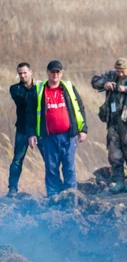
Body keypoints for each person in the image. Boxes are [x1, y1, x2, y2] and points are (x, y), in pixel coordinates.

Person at [26, 60, 87, 198]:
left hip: (68, 136)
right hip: (48, 137)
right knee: (51, 169)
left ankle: (71, 196)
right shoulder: (38, 90)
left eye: (58, 72)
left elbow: (80, 108)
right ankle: (54, 198)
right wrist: (31, 134)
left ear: (61, 73)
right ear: (47, 72)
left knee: (69, 167)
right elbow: (29, 114)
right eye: (52, 72)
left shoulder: (69, 87)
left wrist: (83, 129)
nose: (55, 75)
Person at [91, 58, 127, 193]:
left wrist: (124, 89)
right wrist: (105, 84)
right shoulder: (111, 75)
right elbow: (94, 81)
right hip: (113, 121)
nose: (120, 74)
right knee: (114, 152)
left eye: (122, 71)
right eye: (118, 71)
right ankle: (118, 181)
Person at [7, 62, 38, 198]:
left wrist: (38, 88)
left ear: (31, 72)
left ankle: (54, 188)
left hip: (39, 128)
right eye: (20, 73)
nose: (22, 75)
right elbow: (25, 102)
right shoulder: (15, 89)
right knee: (17, 159)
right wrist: (35, 89)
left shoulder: (41, 87)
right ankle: (12, 189)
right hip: (23, 128)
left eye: (25, 73)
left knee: (50, 160)